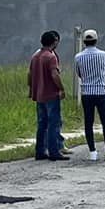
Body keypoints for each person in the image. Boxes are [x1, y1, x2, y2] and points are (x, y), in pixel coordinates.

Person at [75, 29, 105, 162]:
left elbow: (79, 74)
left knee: (88, 123)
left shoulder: (78, 57)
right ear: (96, 40)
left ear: (84, 42)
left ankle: (92, 152)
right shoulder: (104, 55)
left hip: (86, 93)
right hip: (101, 92)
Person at [28, 30, 69, 161]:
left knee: (42, 124)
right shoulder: (50, 57)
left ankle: (40, 151)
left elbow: (29, 74)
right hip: (51, 94)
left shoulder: (36, 56)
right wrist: (61, 88)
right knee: (53, 123)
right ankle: (54, 151)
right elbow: (54, 75)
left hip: (39, 95)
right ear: (55, 41)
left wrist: (31, 89)